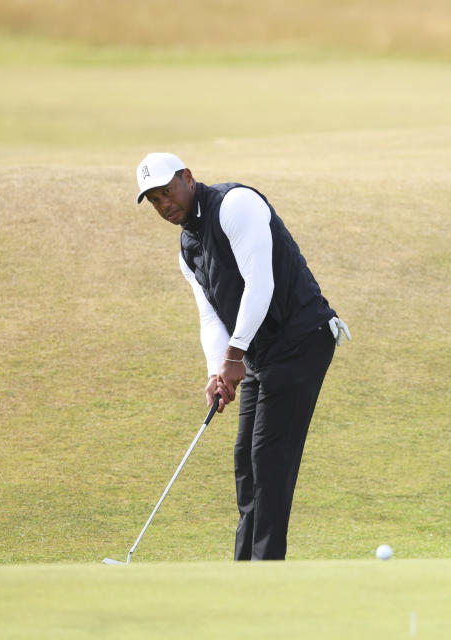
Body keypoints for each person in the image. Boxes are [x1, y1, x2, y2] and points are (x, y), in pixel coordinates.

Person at [134, 152, 350, 561]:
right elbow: (210, 316)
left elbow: (260, 286)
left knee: (268, 459)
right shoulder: (187, 249)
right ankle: (245, 569)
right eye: (155, 201)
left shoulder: (236, 204)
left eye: (167, 192)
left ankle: (264, 572)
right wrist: (219, 370)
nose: (164, 205)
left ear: (188, 177)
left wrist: (235, 357)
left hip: (301, 339)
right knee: (246, 461)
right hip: (260, 353)